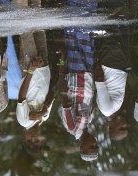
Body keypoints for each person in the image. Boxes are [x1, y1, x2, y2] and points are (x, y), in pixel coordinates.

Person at [58, 28, 98, 161]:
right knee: (87, 37)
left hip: (75, 73)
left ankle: (73, 9)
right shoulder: (89, 121)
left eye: (91, 147)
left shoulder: (72, 127)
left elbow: (64, 99)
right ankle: (88, 9)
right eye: (96, 146)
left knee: (73, 37)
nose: (94, 143)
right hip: (88, 74)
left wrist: (61, 71)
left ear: (82, 147)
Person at [15, 31, 54, 154]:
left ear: (25, 138)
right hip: (44, 68)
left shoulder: (25, 121)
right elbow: (52, 94)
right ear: (42, 139)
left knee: (27, 32)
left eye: (29, 141)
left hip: (30, 67)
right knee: (39, 30)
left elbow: (21, 97)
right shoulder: (45, 117)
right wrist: (45, 109)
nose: (33, 138)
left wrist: (31, 71)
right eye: (36, 141)